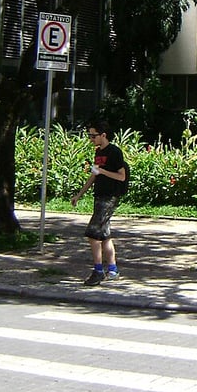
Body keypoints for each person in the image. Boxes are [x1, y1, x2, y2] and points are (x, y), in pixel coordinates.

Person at [70, 120, 126, 286]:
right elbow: (94, 175)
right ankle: (113, 270)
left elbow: (121, 176)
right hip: (99, 196)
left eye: (93, 135)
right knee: (104, 235)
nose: (91, 138)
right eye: (89, 135)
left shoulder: (114, 152)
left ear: (103, 135)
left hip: (109, 197)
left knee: (92, 234)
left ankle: (98, 271)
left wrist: (103, 171)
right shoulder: (98, 153)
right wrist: (79, 195)